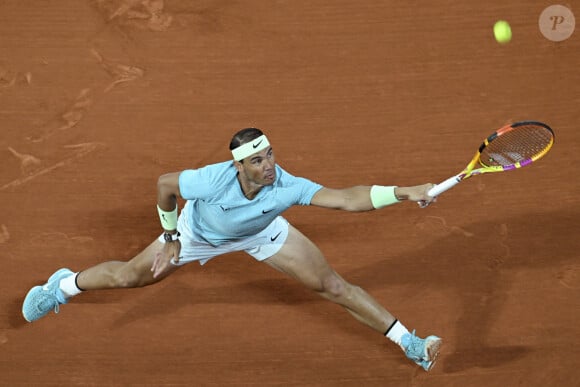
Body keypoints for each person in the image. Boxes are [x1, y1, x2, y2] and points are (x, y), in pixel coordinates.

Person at [22, 127, 442, 371]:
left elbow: (346, 199)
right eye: (258, 160)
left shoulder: (286, 186)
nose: (269, 165)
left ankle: (410, 343)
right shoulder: (210, 180)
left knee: (332, 286)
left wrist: (404, 192)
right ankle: (62, 287)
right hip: (195, 233)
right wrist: (170, 238)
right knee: (129, 276)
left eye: (271, 155)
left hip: (261, 233)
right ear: (238, 165)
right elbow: (166, 186)